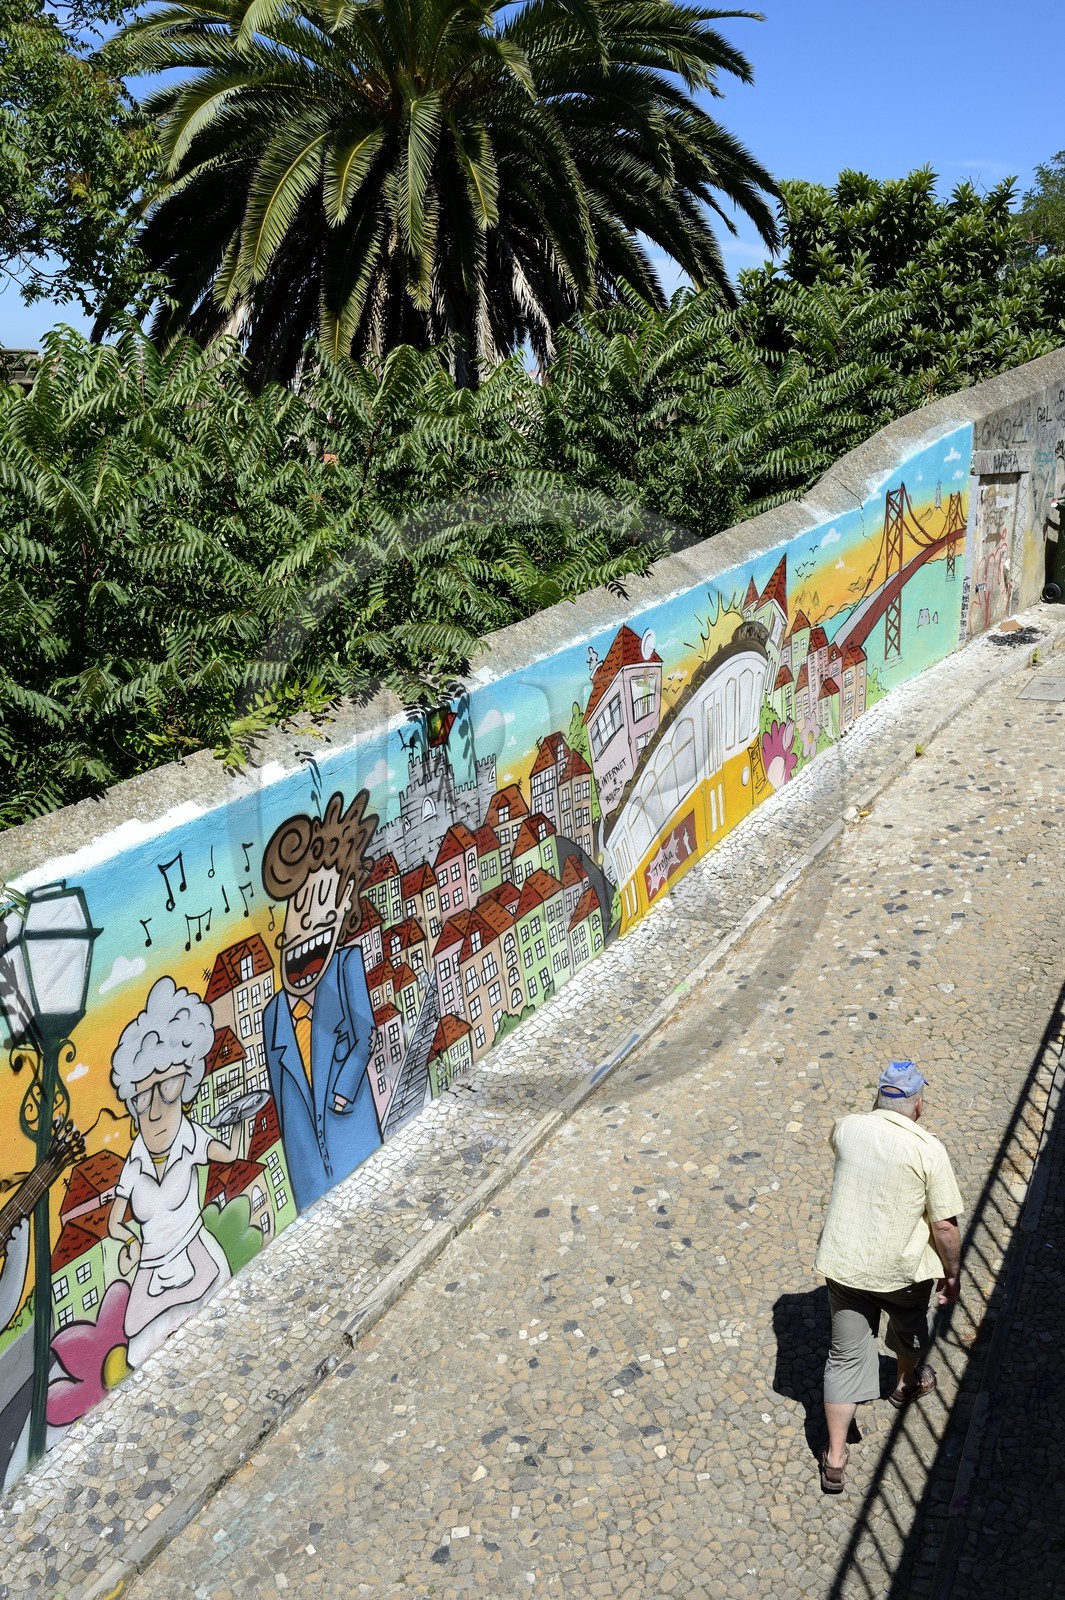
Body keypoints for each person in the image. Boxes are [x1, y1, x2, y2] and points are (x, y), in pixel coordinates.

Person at [813, 1060, 964, 1493]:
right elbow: (945, 1226)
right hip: (903, 1273)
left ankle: (835, 1458)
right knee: (909, 1326)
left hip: (846, 1266)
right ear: (919, 1105)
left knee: (844, 1358)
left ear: (878, 1096)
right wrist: (951, 1275)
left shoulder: (846, 1127)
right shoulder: (927, 1148)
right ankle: (905, 1384)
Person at [108, 976, 249, 1368]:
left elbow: (231, 1153)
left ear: (184, 1088)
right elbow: (114, 1222)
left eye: (167, 1090)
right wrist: (131, 1242)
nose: (154, 1111)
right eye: (142, 1097)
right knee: (140, 1347)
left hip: (195, 1255)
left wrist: (241, 1117)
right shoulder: (133, 1163)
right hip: (151, 1271)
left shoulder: (192, 1138)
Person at [260, 790, 380, 1212]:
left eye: (326, 917)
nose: (310, 925)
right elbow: (282, 1100)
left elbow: (365, 1035)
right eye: (302, 913)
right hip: (307, 1167)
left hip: (354, 1133)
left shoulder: (345, 967)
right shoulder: (274, 1015)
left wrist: (344, 1090)